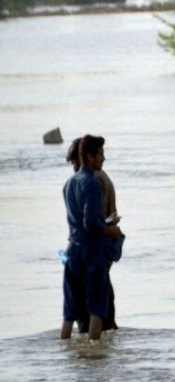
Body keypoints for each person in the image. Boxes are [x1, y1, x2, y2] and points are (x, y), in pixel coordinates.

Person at [60, 135, 123, 341]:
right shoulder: (94, 182)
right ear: (88, 156)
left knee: (69, 312)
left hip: (71, 250)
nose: (103, 159)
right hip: (92, 252)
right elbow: (91, 224)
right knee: (97, 310)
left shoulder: (68, 184)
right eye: (101, 155)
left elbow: (80, 222)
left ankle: (63, 357)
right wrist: (110, 229)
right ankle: (94, 359)